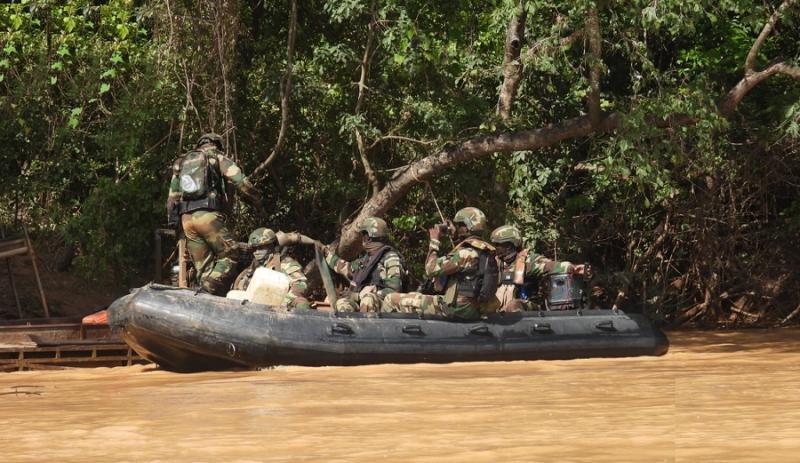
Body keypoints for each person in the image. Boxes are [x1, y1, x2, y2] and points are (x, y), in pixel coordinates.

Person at [166, 133, 265, 295]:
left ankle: (204, 301)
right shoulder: (217, 157)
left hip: (186, 220)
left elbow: (172, 199)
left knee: (204, 268)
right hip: (207, 215)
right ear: (217, 144)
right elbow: (241, 182)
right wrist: (257, 201)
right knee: (231, 253)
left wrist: (174, 224)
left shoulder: (182, 163)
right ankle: (205, 293)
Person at [383, 207, 497, 320]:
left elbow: (430, 269)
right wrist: (456, 237)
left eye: (460, 225)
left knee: (390, 299)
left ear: (467, 227)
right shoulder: (484, 251)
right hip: (473, 308)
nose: (457, 228)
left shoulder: (465, 253)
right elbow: (462, 263)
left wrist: (434, 241)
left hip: (457, 309)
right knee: (416, 296)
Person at [490, 224, 589, 312]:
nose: (495, 248)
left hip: (527, 308)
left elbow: (552, 266)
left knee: (514, 305)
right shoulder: (494, 263)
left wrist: (574, 268)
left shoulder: (528, 262)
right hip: (497, 310)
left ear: (509, 245)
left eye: (498, 245)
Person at [324, 217, 404, 312]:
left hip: (383, 306)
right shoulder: (366, 260)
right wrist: (327, 254)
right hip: (362, 302)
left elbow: (394, 290)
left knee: (368, 300)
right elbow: (346, 268)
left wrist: (369, 293)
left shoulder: (390, 258)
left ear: (368, 237)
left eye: (363, 235)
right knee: (343, 303)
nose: (362, 238)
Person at [232, 228, 312, 310]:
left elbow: (300, 285)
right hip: (253, 306)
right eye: (254, 249)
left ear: (271, 246)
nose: (256, 252)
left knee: (301, 303)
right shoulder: (253, 268)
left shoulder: (285, 263)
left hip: (280, 307)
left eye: (260, 248)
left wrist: (284, 303)